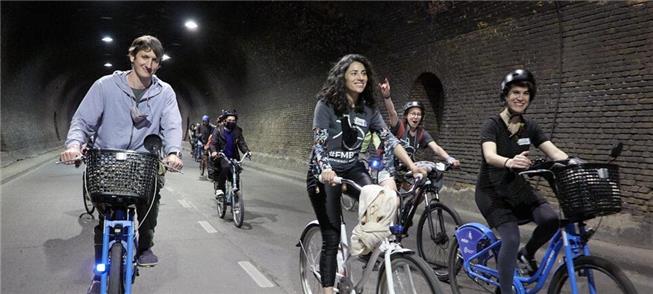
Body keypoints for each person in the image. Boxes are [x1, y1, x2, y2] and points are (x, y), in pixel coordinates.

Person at [59, 35, 183, 294]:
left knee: (152, 195)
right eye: (144, 57)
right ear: (132, 56)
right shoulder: (105, 86)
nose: (149, 64)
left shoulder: (165, 92)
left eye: (155, 60)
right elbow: (83, 121)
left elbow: (171, 124)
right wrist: (73, 145)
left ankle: (145, 243)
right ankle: (98, 272)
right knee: (104, 220)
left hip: (143, 162)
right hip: (107, 161)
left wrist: (172, 152)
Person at [306, 54, 425, 294]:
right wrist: (326, 169)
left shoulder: (368, 109)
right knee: (331, 238)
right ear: (342, 77)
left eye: (363, 73)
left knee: (379, 198)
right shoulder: (326, 105)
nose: (360, 77)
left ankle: (364, 247)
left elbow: (389, 139)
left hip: (352, 168)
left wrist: (413, 167)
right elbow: (319, 144)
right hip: (323, 173)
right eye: (354, 73)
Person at [476, 69, 568, 293]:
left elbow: (554, 152)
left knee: (550, 219)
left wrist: (574, 162)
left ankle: (527, 254)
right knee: (511, 237)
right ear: (506, 96)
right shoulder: (492, 124)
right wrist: (509, 162)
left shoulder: (531, 127)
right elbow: (490, 155)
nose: (520, 97)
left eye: (525, 93)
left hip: (516, 187)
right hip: (491, 191)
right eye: (515, 92)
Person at [379, 78, 460, 184]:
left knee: (423, 185)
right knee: (393, 196)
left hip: (404, 168)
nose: (415, 117)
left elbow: (436, 148)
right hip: (387, 166)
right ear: (406, 115)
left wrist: (449, 159)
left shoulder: (421, 133)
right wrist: (387, 96)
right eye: (412, 113)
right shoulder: (399, 126)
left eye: (418, 114)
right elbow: (392, 113)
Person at [209, 109, 251, 199]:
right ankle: (219, 189)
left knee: (235, 173)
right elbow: (213, 143)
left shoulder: (237, 131)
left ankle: (235, 194)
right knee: (226, 167)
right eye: (229, 120)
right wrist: (214, 151)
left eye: (233, 120)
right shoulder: (218, 130)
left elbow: (241, 143)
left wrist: (247, 151)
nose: (231, 122)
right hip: (221, 155)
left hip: (233, 156)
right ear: (225, 120)